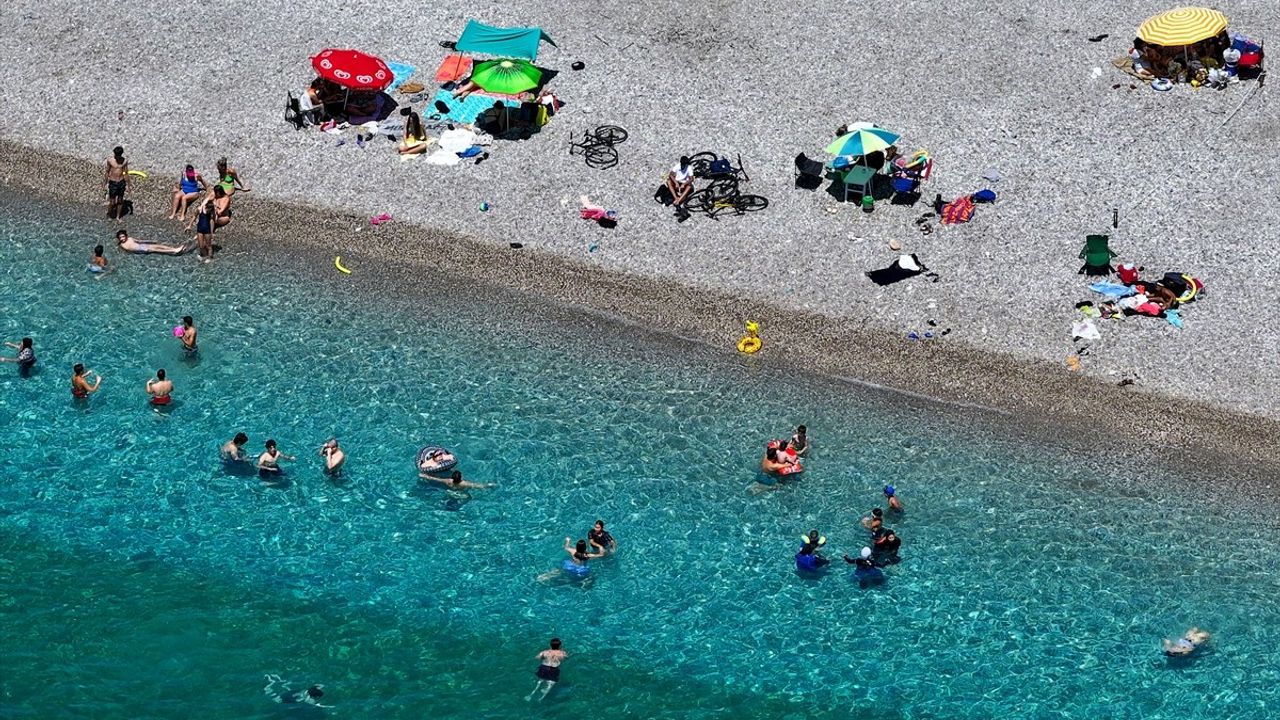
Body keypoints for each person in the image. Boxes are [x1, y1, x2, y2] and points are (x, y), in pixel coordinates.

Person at [263, 674, 330, 708]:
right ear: (316, 697)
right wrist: (327, 706)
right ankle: (270, 682)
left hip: (290, 693)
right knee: (276, 700)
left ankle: (271, 681)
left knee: (275, 695)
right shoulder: (309, 700)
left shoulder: (310, 689)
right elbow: (317, 705)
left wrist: (318, 688)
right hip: (287, 699)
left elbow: (319, 685)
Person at [115, 229, 191, 255]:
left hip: (143, 246)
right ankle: (174, 251)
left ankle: (173, 248)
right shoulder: (122, 245)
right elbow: (131, 250)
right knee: (157, 249)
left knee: (159, 245)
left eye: (123, 236)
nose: (122, 238)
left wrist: (150, 241)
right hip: (142, 249)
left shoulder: (130, 238)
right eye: (120, 237)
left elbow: (140, 241)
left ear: (126, 235)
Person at [105, 146, 129, 219]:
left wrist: (128, 185)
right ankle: (109, 214)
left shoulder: (124, 161)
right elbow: (107, 172)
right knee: (112, 202)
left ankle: (118, 216)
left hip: (121, 182)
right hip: (113, 182)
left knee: (120, 201)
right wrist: (105, 183)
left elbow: (125, 172)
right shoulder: (110, 161)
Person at [420, 469, 494, 490]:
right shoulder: (464, 483)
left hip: (450, 491)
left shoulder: (448, 481)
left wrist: (424, 476)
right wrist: (490, 485)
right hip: (460, 493)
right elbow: (478, 486)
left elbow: (435, 479)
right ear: (461, 477)